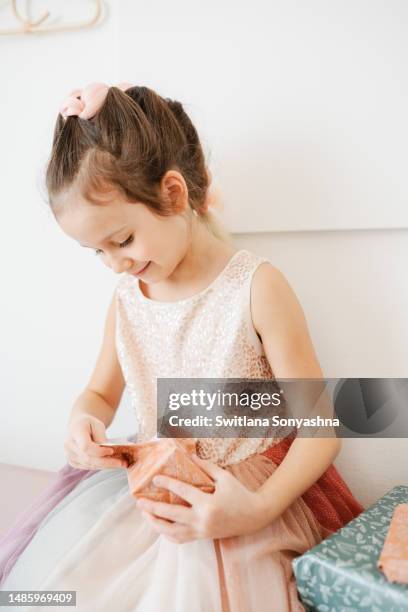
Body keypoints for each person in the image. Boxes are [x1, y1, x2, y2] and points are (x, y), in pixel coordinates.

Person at [1, 82, 365, 611]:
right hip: (153, 497)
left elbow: (320, 431)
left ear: (174, 194)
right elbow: (100, 393)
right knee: (72, 588)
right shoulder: (127, 299)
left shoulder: (256, 287)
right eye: (95, 252)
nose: (115, 264)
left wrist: (256, 510)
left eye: (122, 241)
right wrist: (84, 421)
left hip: (242, 500)